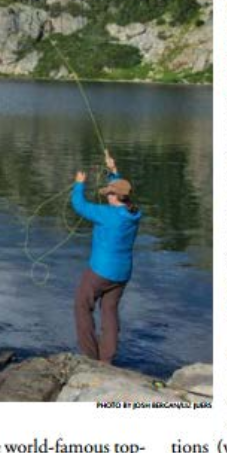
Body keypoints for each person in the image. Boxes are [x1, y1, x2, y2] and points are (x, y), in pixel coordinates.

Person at [70, 152, 142, 364]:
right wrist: (113, 170)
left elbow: (80, 206)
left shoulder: (107, 214)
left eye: (109, 193)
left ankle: (90, 357)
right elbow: (121, 191)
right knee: (109, 312)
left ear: (115, 197)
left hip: (100, 271)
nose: (107, 196)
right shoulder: (134, 213)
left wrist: (79, 185)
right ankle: (107, 359)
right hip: (122, 274)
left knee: (82, 306)